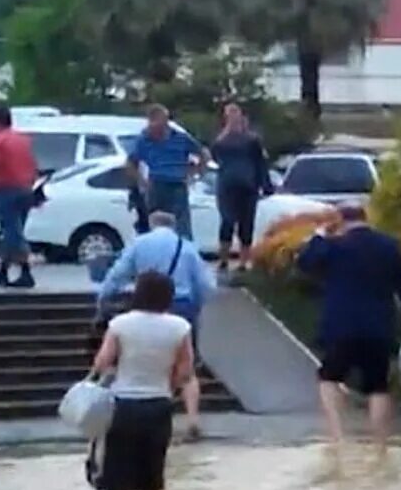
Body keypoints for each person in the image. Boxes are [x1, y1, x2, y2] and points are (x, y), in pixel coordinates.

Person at [296, 203, 401, 451]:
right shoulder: (389, 246)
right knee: (378, 386)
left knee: (328, 377)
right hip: (379, 328)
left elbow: (305, 263)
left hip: (341, 329)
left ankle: (338, 439)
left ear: (340, 222)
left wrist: (319, 235)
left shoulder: (334, 246)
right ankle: (380, 444)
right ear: (366, 219)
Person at [96, 210, 215, 441]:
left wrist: (103, 297)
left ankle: (148, 407)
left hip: (145, 304)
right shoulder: (187, 247)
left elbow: (118, 273)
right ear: (173, 226)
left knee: (142, 356)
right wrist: (197, 305)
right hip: (182, 306)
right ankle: (192, 418)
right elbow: (206, 283)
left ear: (151, 224)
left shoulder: (139, 244)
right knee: (188, 370)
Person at [90, 271, 195, 490]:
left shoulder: (120, 324)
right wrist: (169, 383)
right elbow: (186, 372)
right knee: (153, 477)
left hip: (122, 406)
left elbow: (102, 363)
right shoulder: (180, 327)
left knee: (115, 478)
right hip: (158, 405)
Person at [125, 104, 206, 240]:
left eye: (160, 126)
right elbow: (130, 162)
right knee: (155, 225)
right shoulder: (144, 139)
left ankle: (181, 253)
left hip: (177, 185)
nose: (156, 131)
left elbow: (204, 154)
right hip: (156, 184)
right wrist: (141, 182)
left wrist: (194, 173)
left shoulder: (180, 138)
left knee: (181, 227)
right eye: (153, 127)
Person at [0, 105, 38, 289]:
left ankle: (26, 271)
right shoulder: (22, 139)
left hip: (6, 188)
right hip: (26, 188)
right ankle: (3, 272)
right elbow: (33, 164)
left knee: (12, 231)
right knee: (12, 229)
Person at [210, 102, 271, 275]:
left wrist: (265, 185)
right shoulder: (222, 138)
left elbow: (261, 162)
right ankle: (223, 260)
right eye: (229, 114)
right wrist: (227, 130)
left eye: (235, 113)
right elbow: (214, 153)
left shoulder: (252, 139)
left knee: (246, 223)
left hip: (248, 185)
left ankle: (244, 262)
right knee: (227, 221)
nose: (233, 117)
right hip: (227, 185)